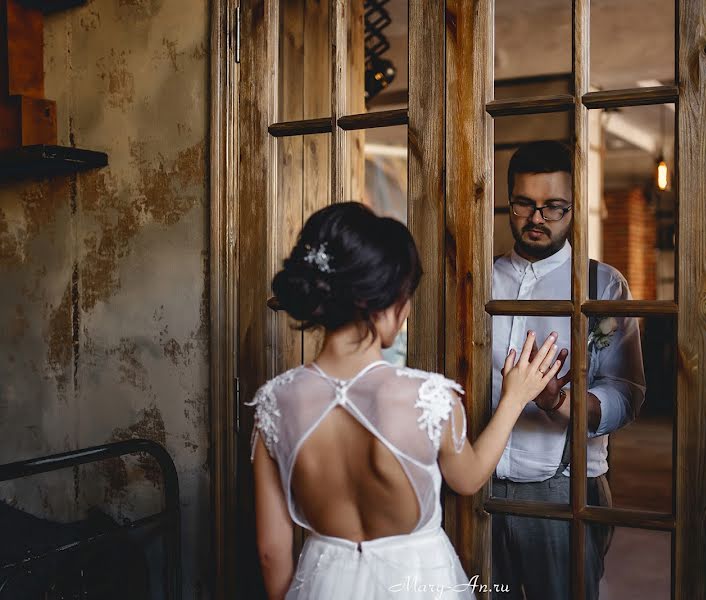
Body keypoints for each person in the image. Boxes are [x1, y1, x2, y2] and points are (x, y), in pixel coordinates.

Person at [249, 201, 564, 599]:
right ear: (382, 302)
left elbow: (270, 553)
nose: (409, 309)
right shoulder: (428, 397)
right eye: (406, 295)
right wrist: (515, 398)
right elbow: (467, 480)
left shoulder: (274, 403)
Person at [491, 141, 647, 599]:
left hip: (565, 490)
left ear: (573, 208)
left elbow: (626, 392)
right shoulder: (480, 278)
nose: (537, 219)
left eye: (553, 207)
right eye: (524, 204)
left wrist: (559, 402)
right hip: (478, 487)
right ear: (508, 201)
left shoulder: (603, 284)